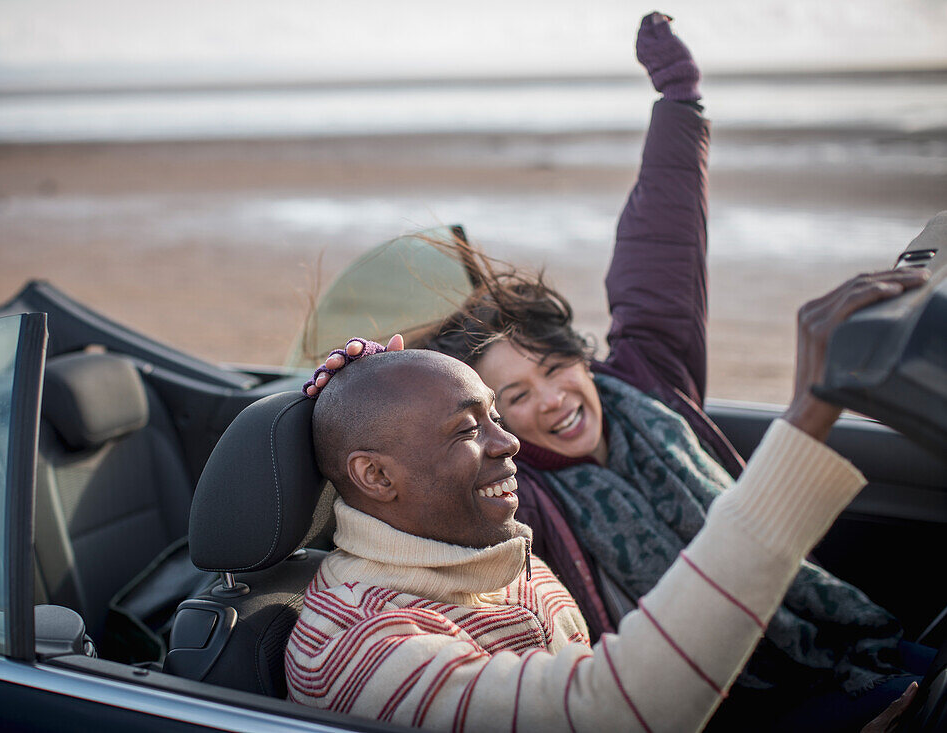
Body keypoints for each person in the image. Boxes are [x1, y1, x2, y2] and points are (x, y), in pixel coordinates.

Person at [299, 13, 934, 730]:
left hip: (822, 645)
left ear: (585, 356)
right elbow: (621, 703)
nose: (549, 401)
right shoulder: (509, 506)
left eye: (555, 367)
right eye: (507, 401)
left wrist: (679, 103)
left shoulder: (644, 382)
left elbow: (660, 248)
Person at [286, 263, 927, 732]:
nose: (508, 443)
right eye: (469, 427)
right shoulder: (361, 642)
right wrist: (809, 414)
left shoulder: (497, 552)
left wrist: (679, 98)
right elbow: (614, 712)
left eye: (491, 417)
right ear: (375, 477)